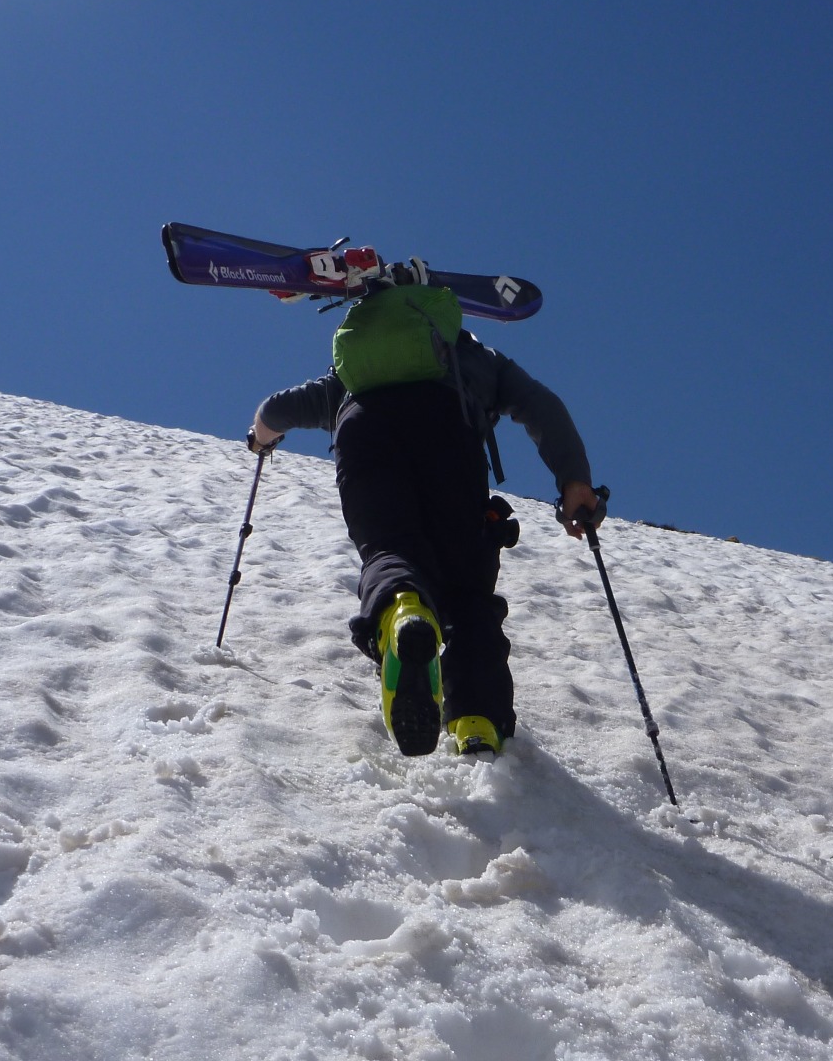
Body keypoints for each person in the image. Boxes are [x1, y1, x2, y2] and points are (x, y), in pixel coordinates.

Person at [248, 263, 600, 759]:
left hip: (363, 431)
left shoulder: (350, 375)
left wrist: (261, 436)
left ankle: (401, 610)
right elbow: (541, 405)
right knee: (466, 586)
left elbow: (278, 409)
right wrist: (574, 482)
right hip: (448, 432)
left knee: (388, 548)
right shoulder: (475, 355)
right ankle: (477, 720)